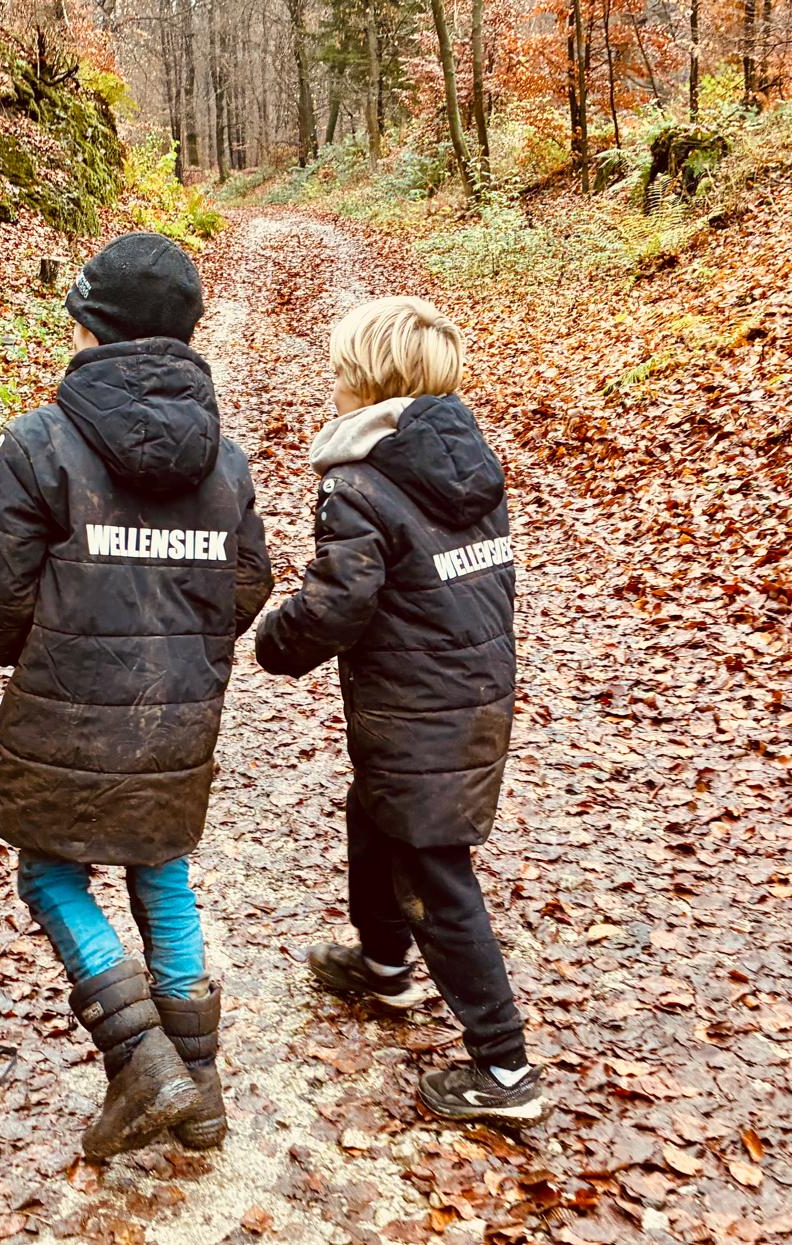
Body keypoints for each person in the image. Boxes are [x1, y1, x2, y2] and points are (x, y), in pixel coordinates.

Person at [0, 233, 273, 1159]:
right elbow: (248, 579)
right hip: (178, 711)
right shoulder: (225, 460)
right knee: (162, 865)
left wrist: (25, 649)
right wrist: (187, 646)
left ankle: (142, 1059)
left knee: (52, 873)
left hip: (66, 704)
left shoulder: (39, 443)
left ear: (90, 325)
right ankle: (202, 1090)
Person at [255, 296, 542, 1124]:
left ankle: (505, 1068)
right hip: (470, 691)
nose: (333, 383)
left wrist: (276, 639)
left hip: (419, 704)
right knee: (375, 818)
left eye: (342, 371)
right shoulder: (468, 464)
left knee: (433, 867)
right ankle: (384, 963)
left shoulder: (360, 482)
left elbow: (341, 601)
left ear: (372, 384)